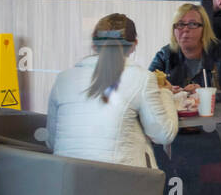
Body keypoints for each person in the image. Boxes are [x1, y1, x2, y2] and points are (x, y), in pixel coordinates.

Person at [149, 3, 221, 195]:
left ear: (204, 29)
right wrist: (167, 91)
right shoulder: (165, 55)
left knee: (182, 150)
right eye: (180, 25)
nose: (185, 30)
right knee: (170, 150)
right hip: (181, 127)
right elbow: (148, 87)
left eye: (193, 24)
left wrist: (206, 95)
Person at [47, 13, 179, 170]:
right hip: (117, 184)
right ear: (134, 44)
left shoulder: (63, 79)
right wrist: (165, 93)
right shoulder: (141, 78)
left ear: (94, 44)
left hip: (64, 184)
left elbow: (52, 142)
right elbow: (163, 135)